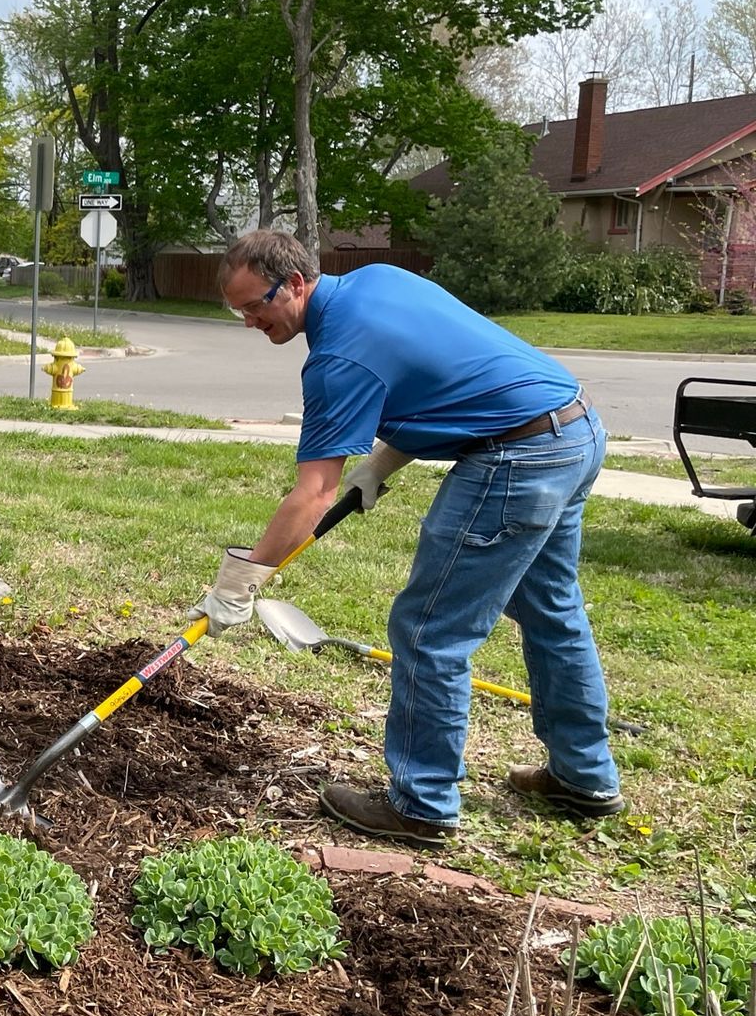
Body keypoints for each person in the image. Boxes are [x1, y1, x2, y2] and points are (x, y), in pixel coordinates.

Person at [193, 229, 621, 848]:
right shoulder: (375, 282)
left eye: (255, 304)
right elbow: (441, 375)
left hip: (514, 461)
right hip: (573, 432)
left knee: (429, 631)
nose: (249, 320)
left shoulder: (337, 358)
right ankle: (585, 777)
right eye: (238, 310)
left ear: (294, 282)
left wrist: (242, 580)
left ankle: (421, 804)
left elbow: (312, 493)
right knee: (552, 610)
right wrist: (383, 464)